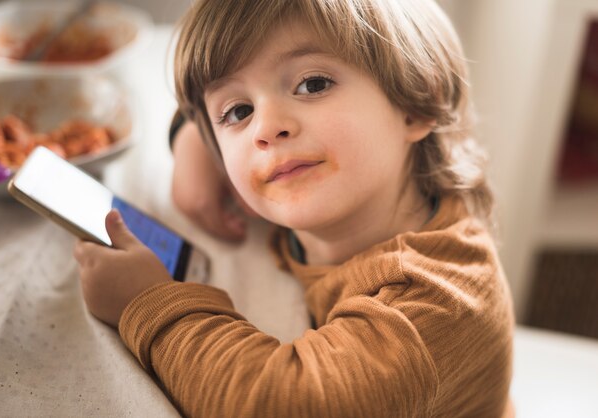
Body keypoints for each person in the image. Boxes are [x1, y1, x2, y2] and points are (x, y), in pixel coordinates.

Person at [73, 0, 516, 416]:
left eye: (313, 84)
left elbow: (281, 402)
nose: (265, 128)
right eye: (239, 112)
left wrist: (146, 302)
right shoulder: (343, 185)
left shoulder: (439, 305)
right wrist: (193, 139)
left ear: (415, 102)